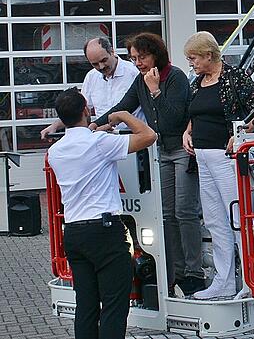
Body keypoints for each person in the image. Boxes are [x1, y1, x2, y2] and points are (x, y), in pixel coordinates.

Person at [93, 32, 205, 295]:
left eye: (142, 57)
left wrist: (155, 91)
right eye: (133, 58)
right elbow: (124, 106)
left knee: (184, 212)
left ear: (156, 54)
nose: (138, 63)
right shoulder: (140, 80)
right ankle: (174, 272)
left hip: (181, 150)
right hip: (160, 152)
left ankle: (194, 272)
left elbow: (175, 118)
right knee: (166, 214)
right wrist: (97, 124)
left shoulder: (175, 77)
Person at [47, 88, 157, 339]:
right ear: (86, 110)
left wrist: (96, 132)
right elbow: (148, 136)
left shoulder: (56, 151)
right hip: (105, 231)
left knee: (85, 306)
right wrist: (123, 115)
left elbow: (83, 147)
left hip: (74, 232)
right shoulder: (99, 143)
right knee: (114, 306)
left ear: (62, 118)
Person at [183, 31, 254, 299]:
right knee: (215, 221)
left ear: (208, 55)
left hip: (225, 157)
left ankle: (251, 279)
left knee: (236, 218)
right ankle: (224, 281)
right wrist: (188, 131)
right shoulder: (198, 82)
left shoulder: (233, 77)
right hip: (203, 158)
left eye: (193, 58)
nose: (191, 63)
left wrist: (241, 131)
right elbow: (195, 112)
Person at [40, 37, 142, 138]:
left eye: (104, 60)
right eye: (95, 64)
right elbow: (78, 110)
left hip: (133, 139)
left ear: (112, 51)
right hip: (103, 139)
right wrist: (55, 126)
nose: (101, 66)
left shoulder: (134, 73)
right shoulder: (91, 77)